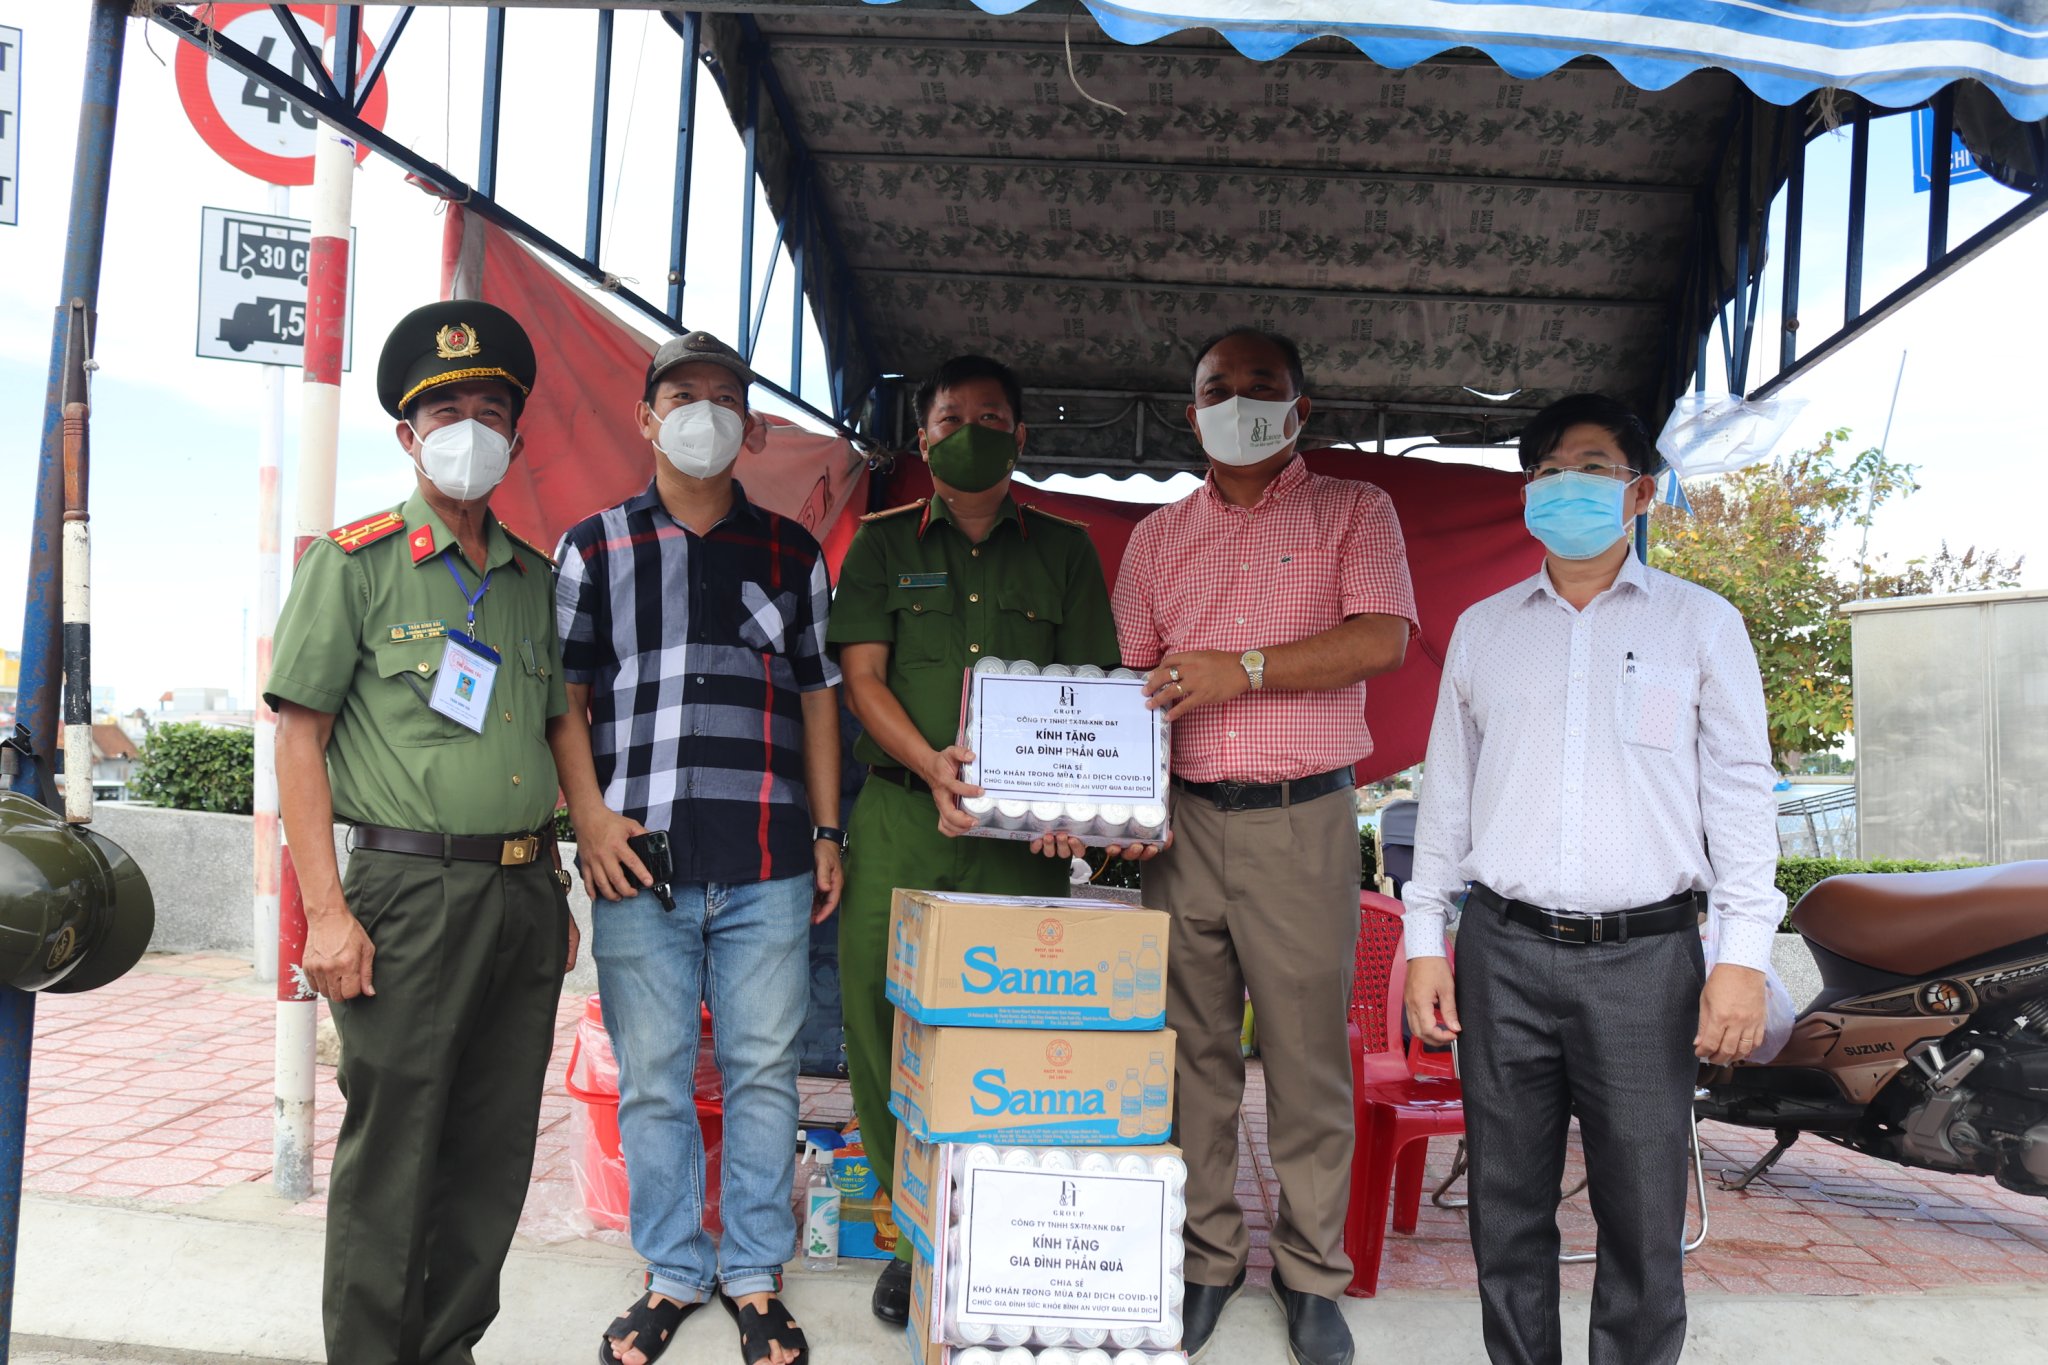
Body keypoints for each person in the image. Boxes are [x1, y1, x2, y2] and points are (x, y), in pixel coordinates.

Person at [1402, 393, 1778, 1365]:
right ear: (1526, 494)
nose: (1566, 484)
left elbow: (1740, 799)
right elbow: (1443, 802)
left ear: (1639, 490)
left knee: (1643, 1219)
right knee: (1506, 1213)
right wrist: (1418, 943)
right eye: (1546, 471)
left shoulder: (1700, 626)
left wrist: (1740, 957)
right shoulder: (1482, 631)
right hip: (1502, 952)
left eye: (1592, 466)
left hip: (1645, 959)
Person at [267, 301, 576, 1365]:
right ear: (406, 434)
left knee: (490, 1154)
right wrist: (327, 915)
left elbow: (549, 732)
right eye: (447, 410)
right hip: (404, 897)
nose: (471, 428)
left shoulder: (535, 583)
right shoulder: (353, 565)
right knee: (394, 1148)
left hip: (524, 894)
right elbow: (299, 743)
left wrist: (559, 882)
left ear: (516, 437)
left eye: (492, 410)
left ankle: (447, 1350)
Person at [1112, 327, 1417, 1365]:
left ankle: (1309, 1273)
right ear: (1187, 411)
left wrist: (1240, 668)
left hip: (1301, 818)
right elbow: (1128, 694)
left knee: (1303, 1058)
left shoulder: (1354, 512)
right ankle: (1206, 1259)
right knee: (1190, 1054)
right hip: (1181, 825)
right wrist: (1094, 798)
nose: (1236, 401)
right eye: (1214, 388)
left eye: (1260, 387)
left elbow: (1381, 638)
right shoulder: (1154, 540)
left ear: (1300, 409)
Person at [550, 332, 843, 1365]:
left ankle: (756, 1272)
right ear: (646, 417)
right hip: (637, 860)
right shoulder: (591, 548)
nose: (704, 413)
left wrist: (824, 829)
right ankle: (672, 1270)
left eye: (725, 398)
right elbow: (566, 700)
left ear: (752, 427)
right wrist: (586, 818)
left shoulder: (792, 553)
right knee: (656, 1078)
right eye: (683, 395)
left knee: (765, 1074)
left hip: (768, 855)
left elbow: (817, 696)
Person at [826, 354, 1122, 1325]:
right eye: (951, 416)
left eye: (991, 416)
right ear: (921, 439)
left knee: (1014, 1035)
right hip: (901, 817)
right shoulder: (876, 545)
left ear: (1020, 436)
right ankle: (914, 1237)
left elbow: (1087, 695)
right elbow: (862, 679)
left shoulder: (1066, 549)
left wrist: (1061, 810)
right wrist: (934, 763)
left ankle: (994, 1233)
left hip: (1014, 841)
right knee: (879, 1028)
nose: (970, 429)